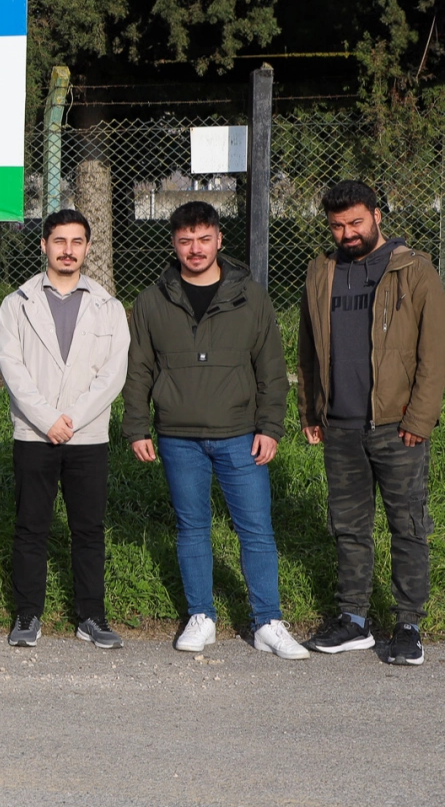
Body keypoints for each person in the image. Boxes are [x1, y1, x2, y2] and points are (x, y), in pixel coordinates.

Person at [123, 201, 306, 659]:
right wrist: (137, 426)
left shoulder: (251, 296)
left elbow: (271, 369)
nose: (195, 249)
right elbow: (139, 370)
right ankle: (201, 616)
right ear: (173, 244)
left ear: (220, 240)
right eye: (185, 241)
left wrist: (270, 426)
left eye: (204, 239)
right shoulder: (151, 301)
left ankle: (268, 621)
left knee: (257, 530)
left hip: (241, 432)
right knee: (192, 528)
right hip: (177, 436)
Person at [297, 181, 445, 665]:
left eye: (356, 222)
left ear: (378, 215)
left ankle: (408, 624)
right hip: (339, 424)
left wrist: (420, 418)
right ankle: (354, 620)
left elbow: (434, 354)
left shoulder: (415, 270)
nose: (347, 233)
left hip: (397, 425)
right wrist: (310, 411)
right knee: (349, 528)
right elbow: (307, 347)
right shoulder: (322, 272)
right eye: (338, 225)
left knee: (407, 526)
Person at [0, 210, 129, 649]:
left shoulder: (108, 306)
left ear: (88, 247)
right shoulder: (17, 303)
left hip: (87, 436)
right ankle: (27, 613)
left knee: (88, 528)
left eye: (76, 242)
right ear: (44, 246)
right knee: (31, 526)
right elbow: (11, 367)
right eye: (59, 241)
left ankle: (91, 616)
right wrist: (47, 419)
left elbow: (113, 373)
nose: (68, 250)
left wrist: (73, 417)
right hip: (36, 433)